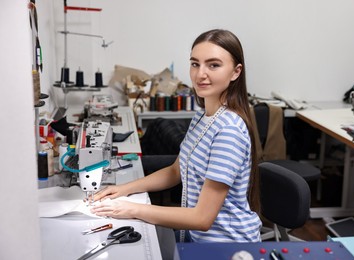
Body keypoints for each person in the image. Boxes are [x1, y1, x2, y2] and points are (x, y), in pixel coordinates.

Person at [91, 29, 262, 242]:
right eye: (195, 63)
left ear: (236, 72)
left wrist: (130, 208)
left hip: (226, 246)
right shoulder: (202, 116)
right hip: (196, 239)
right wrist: (122, 190)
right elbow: (175, 171)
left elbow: (202, 218)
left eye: (213, 65)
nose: (200, 74)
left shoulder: (228, 131)